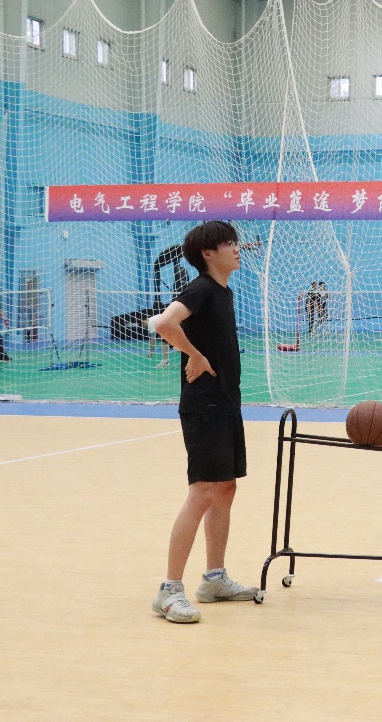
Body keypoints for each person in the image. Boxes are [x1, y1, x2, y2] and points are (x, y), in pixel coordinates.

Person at [149, 221, 257, 623]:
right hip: (204, 406)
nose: (237, 248)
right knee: (202, 492)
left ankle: (214, 579)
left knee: (225, 489)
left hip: (225, 404)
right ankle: (168, 591)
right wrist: (194, 354)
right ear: (208, 253)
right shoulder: (201, 289)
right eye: (229, 243)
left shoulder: (223, 291)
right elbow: (164, 323)